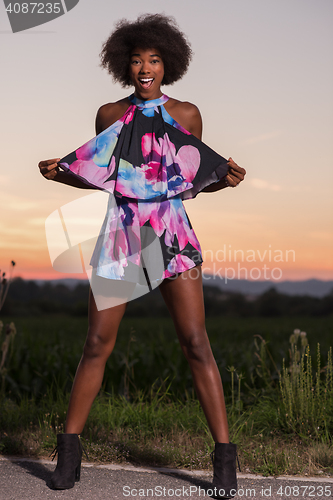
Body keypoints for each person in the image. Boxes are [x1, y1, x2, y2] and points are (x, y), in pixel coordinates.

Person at [38, 14, 246, 498]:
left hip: (172, 234)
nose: (144, 67)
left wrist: (227, 180)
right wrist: (57, 172)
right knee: (96, 345)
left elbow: (189, 179)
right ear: (124, 66)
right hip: (123, 235)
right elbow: (99, 172)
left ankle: (224, 461)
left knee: (196, 343)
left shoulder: (188, 114)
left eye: (153, 59)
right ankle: (68, 455)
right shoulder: (110, 115)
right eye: (136, 60)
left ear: (168, 64)